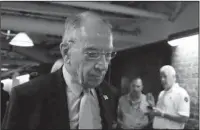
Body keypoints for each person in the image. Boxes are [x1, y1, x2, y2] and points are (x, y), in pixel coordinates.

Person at [2, 11, 117, 129]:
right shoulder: (27, 97)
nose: (103, 66)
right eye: (92, 54)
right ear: (66, 52)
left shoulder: (109, 94)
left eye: (108, 54)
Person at [150, 65, 190, 129]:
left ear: (174, 77)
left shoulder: (181, 93)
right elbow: (159, 112)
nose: (162, 80)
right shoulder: (162, 93)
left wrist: (162, 114)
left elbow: (184, 118)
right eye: (161, 77)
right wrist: (152, 105)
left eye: (165, 76)